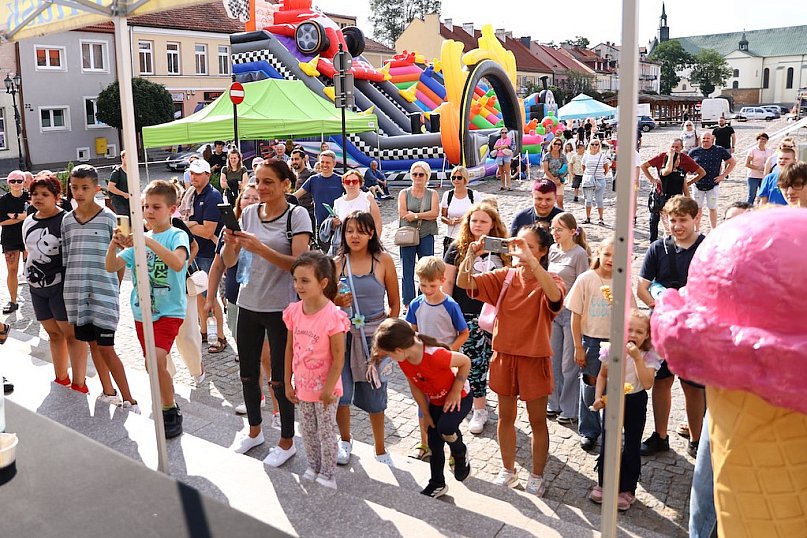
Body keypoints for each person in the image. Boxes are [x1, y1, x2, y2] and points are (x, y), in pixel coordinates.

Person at [456, 224, 564, 496]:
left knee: (538, 421)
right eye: (517, 245)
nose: (518, 250)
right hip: (504, 356)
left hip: (534, 358)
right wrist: (471, 255)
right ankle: (508, 470)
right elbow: (463, 283)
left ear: (542, 251)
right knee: (506, 417)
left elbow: (554, 296)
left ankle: (537, 475)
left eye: (526, 246)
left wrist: (532, 263)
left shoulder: (551, 279)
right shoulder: (505, 276)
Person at [221, 159, 312, 465]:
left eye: (268, 182)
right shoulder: (247, 212)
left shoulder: (296, 215)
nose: (260, 188)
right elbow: (231, 262)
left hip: (281, 308)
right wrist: (231, 244)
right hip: (248, 301)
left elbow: (301, 266)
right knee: (247, 372)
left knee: (279, 378)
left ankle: (287, 441)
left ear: (286, 184)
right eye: (257, 181)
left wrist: (261, 249)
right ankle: (255, 431)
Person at [106, 180, 190, 438]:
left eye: (156, 207)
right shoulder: (141, 240)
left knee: (154, 360)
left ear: (172, 209)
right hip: (142, 311)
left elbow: (177, 263)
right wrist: (114, 244)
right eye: (145, 207)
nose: (149, 212)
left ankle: (169, 409)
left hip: (170, 310)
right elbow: (111, 266)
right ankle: (168, 403)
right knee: (153, 364)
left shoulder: (177, 235)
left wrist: (145, 241)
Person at [63, 165, 138, 411]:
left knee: (107, 346)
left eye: (85, 187)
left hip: (103, 291)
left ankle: (130, 399)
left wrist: (115, 287)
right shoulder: (66, 221)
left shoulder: (114, 218)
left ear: (97, 188)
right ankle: (108, 391)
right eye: (74, 187)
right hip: (77, 292)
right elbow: (67, 257)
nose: (79, 192)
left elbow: (125, 256)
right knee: (92, 344)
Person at [372, 318, 473, 498]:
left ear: (398, 350)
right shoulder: (404, 359)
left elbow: (465, 361)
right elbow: (415, 385)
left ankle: (459, 451)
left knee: (445, 428)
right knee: (434, 441)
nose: (391, 359)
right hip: (436, 402)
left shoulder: (435, 355)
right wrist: (425, 413)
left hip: (459, 398)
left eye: (389, 355)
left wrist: (456, 390)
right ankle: (437, 483)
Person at [637, 195, 706, 458]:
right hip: (663, 326)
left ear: (696, 218)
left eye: (682, 220)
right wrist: (663, 306)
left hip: (693, 330)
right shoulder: (658, 248)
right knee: (662, 381)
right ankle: (660, 435)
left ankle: (697, 439)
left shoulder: (706, 248)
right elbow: (642, 288)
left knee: (693, 387)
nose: (677, 226)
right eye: (672, 220)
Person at [333, 210, 401, 465]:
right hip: (342, 338)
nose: (354, 236)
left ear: (371, 233)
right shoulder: (337, 263)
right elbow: (324, 302)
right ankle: (345, 440)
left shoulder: (383, 260)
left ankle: (381, 448)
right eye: (350, 230)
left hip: (374, 340)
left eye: (361, 231)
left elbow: (395, 304)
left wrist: (386, 339)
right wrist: (335, 299)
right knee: (342, 393)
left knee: (376, 392)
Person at [284, 251, 349, 489]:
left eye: (305, 280)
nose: (298, 286)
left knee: (326, 431)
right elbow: (290, 348)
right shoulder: (293, 311)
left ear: (323, 283)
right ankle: (313, 465)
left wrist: (329, 387)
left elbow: (339, 355)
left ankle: (328, 472)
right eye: (295, 280)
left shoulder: (333, 316)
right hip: (302, 384)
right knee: (308, 429)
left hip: (326, 388)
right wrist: (286, 380)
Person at [443, 201, 509, 434]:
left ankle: (500, 404)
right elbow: (448, 282)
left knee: (496, 363)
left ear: (493, 225)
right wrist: (448, 311)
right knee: (475, 364)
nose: (478, 225)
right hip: (468, 314)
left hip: (498, 316)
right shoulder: (456, 248)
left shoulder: (503, 248)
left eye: (483, 221)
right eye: (474, 220)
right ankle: (479, 409)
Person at [589, 310, 660, 511]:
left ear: (647, 335)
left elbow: (647, 384)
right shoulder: (611, 349)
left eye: (639, 331)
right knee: (609, 441)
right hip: (612, 399)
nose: (633, 335)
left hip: (635, 400)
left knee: (631, 443)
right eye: (629, 329)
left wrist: (637, 358)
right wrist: (598, 398)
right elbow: (602, 375)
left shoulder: (649, 356)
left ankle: (627, 488)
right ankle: (604, 483)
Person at [23, 176, 88, 391]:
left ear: (56, 197)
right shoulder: (29, 220)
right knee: (53, 335)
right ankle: (61, 378)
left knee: (71, 336)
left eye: (44, 194)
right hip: (36, 287)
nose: (38, 198)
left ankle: (79, 383)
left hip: (62, 286)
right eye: (35, 194)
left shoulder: (67, 220)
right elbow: (29, 251)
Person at [405, 256, 469, 459]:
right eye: (423, 285)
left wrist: (449, 350)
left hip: (446, 364)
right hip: (424, 365)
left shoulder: (450, 305)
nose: (427, 290)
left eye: (432, 285)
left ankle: (453, 450)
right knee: (423, 407)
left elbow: (464, 332)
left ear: (442, 280)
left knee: (448, 409)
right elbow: (412, 330)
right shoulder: (416, 304)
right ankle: (425, 444)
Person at [565, 236, 623, 451]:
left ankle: (611, 427)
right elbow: (576, 315)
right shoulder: (586, 279)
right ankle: (589, 429)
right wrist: (579, 346)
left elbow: (631, 312)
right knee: (590, 384)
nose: (610, 259)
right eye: (607, 254)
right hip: (591, 340)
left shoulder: (622, 280)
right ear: (599, 253)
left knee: (613, 386)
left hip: (616, 340)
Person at [547, 212, 590, 425]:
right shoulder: (553, 251)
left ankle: (569, 407)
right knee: (553, 360)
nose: (554, 233)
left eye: (559, 229)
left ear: (572, 232)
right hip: (553, 311)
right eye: (553, 229)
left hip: (571, 313)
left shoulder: (579, 254)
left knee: (568, 364)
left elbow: (584, 286)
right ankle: (553, 402)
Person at [183, 159, 227, 354]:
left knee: (210, 297)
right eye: (192, 173)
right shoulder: (191, 195)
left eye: (198, 173)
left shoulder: (212, 196)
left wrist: (189, 224)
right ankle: (203, 331)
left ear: (208, 175)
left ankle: (220, 336)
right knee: (200, 296)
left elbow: (208, 231)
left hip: (210, 254)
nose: (194, 177)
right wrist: (192, 224)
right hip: (196, 252)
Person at [640, 139, 706, 242]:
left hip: (676, 201)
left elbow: (695, 178)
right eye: (672, 147)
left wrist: (690, 202)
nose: (674, 149)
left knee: (674, 227)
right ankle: (654, 243)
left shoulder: (681, 169)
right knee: (656, 221)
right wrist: (652, 179)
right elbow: (664, 170)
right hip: (661, 197)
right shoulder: (664, 169)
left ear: (681, 148)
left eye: (677, 147)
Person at [398, 161, 440, 306]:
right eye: (415, 174)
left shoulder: (432, 194)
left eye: (421, 174)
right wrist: (423, 215)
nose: (417, 177)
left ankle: (424, 299)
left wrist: (415, 216)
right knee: (407, 270)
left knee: (427, 269)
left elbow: (435, 213)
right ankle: (408, 302)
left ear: (426, 176)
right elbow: (403, 213)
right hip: (407, 236)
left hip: (426, 234)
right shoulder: (404, 193)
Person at [293, 150, 343, 249]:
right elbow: (296, 195)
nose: (324, 165)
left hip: (338, 224)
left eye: (327, 162)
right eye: (322, 162)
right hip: (321, 225)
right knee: (324, 255)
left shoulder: (340, 180)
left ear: (334, 163)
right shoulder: (313, 180)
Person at [688, 132, 736, 231]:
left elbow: (732, 162)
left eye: (708, 138)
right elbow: (687, 165)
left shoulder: (719, 150)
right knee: (697, 209)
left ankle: (713, 229)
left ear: (712, 139)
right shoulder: (694, 152)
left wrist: (723, 175)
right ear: (700, 139)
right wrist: (689, 174)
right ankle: (697, 229)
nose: (705, 140)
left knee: (712, 208)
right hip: (697, 184)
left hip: (713, 184)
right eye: (703, 138)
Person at [330, 170, 382, 252]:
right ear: (343, 184)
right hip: (345, 245)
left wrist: (375, 241)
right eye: (347, 182)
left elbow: (377, 222)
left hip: (366, 243)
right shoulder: (338, 202)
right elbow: (335, 227)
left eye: (354, 181)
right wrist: (333, 223)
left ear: (360, 183)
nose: (351, 184)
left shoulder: (367, 197)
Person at [0, 170, 29, 314]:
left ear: (24, 182)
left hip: (30, 236)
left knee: (33, 269)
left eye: (19, 180)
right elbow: (2, 222)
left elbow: (36, 214)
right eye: (13, 181)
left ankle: (41, 301)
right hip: (10, 238)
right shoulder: (3, 200)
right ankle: (13, 301)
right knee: (12, 270)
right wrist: (24, 216)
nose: (16, 184)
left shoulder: (29, 197)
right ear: (8, 183)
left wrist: (16, 216)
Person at [439, 166, 480, 253]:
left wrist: (465, 219)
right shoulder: (447, 195)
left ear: (465, 179)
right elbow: (443, 216)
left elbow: (480, 214)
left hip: (469, 237)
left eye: (459, 177)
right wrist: (450, 221)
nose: (456, 180)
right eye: (453, 178)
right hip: (451, 237)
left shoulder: (473, 195)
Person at [580, 139, 611, 226]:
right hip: (589, 180)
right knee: (588, 199)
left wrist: (602, 175)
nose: (594, 146)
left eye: (596, 144)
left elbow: (606, 167)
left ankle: (601, 218)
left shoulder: (602, 156)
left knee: (599, 199)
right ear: (590, 145)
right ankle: (588, 217)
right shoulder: (586, 156)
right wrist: (587, 175)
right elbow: (583, 166)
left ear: (599, 146)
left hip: (600, 180)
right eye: (592, 144)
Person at [744, 132, 773, 205]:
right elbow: (746, 163)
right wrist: (757, 168)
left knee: (764, 195)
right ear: (757, 140)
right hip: (753, 175)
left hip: (765, 176)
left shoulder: (769, 151)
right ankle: (747, 209)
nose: (763, 141)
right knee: (752, 195)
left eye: (765, 139)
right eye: (761, 139)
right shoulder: (753, 150)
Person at [289, 149, 315, 224]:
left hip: (309, 213)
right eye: (292, 159)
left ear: (303, 159)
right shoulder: (292, 176)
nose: (294, 162)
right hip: (296, 213)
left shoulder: (311, 174)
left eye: (296, 159)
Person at [542, 138, 569, 209]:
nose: (557, 145)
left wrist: (559, 179)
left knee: (560, 200)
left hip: (560, 178)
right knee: (547, 200)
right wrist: (553, 179)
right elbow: (546, 170)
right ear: (552, 144)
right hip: (549, 178)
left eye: (559, 144)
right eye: (555, 144)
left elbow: (566, 168)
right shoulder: (547, 156)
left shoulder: (563, 156)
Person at [106, 150, 131, 216]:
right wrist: (123, 194)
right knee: (124, 221)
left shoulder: (132, 171)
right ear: (122, 158)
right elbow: (110, 187)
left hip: (131, 201)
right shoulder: (117, 172)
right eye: (127, 158)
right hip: (120, 202)